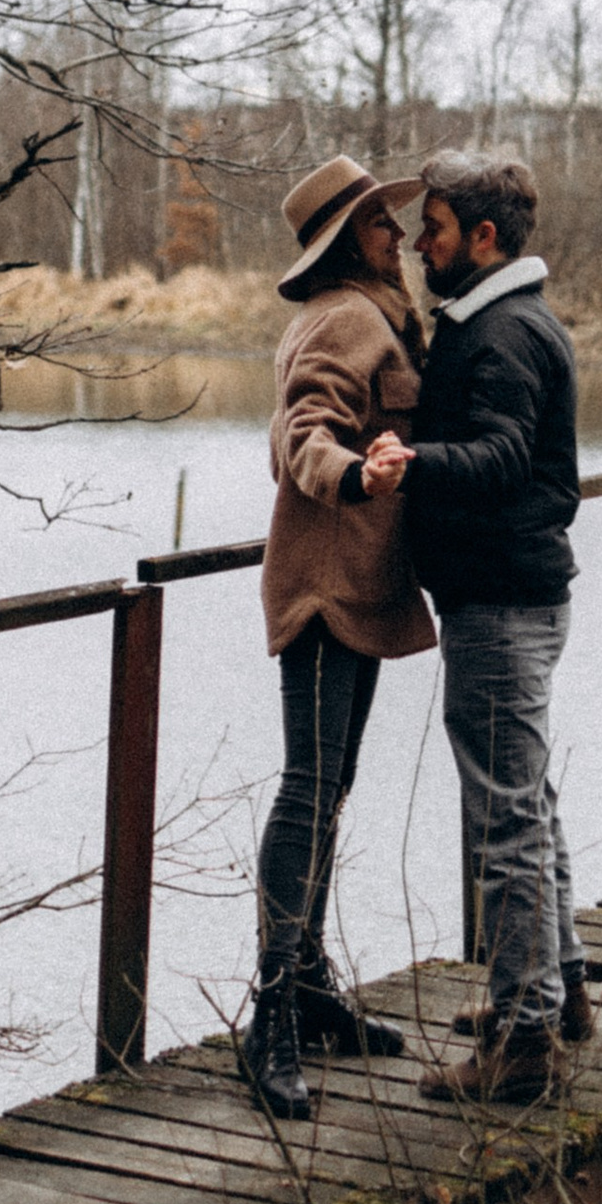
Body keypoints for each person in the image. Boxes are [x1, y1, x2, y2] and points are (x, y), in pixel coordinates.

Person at [362, 146, 587, 1103]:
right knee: (524, 802)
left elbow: (498, 455)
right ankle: (556, 993)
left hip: (500, 605)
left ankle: (526, 1043)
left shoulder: (500, 333)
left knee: (504, 822)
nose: (420, 242)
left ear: (483, 238)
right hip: (515, 596)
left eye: (437, 228)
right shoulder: (504, 319)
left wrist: (409, 459)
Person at [240, 153, 437, 1120]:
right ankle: (271, 1018)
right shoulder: (345, 319)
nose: (395, 237)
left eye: (393, 225)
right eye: (376, 227)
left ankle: (310, 986)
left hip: (357, 584)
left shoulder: (378, 316)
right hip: (324, 583)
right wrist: (355, 476)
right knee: (310, 787)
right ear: (340, 246)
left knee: (330, 786)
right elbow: (302, 428)